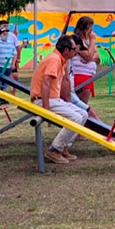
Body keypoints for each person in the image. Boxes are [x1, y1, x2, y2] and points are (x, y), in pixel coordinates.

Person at [30, 35, 87, 164]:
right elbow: (45, 83)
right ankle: (54, 150)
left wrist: (66, 102)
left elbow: (62, 82)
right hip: (42, 99)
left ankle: (63, 147)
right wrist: (46, 109)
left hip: (53, 99)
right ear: (66, 50)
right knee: (76, 118)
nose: (76, 52)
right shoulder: (54, 59)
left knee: (83, 114)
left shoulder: (61, 59)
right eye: (74, 49)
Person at [71, 16, 100, 104]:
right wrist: (93, 40)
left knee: (83, 103)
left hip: (88, 74)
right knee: (81, 103)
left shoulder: (88, 40)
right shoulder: (77, 40)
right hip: (80, 74)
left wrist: (92, 58)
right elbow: (88, 56)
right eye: (90, 27)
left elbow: (96, 55)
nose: (91, 30)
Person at [0, 20, 23, 92]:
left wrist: (15, 61)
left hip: (8, 65)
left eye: (7, 27)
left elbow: (16, 50)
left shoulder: (11, 40)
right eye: (4, 26)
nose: (6, 33)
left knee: (6, 81)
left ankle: (4, 96)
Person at [0, 24, 18, 104]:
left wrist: (13, 64)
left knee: (5, 83)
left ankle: (3, 99)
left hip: (8, 67)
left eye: (6, 33)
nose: (5, 34)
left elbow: (15, 54)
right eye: (3, 33)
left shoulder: (10, 43)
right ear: (0, 34)